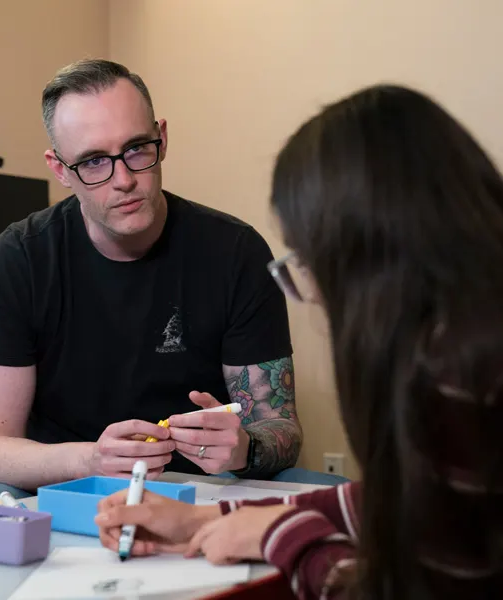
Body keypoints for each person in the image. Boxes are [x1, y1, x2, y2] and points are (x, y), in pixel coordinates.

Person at [96, 84, 503, 599]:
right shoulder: (470, 336)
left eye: (307, 263)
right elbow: (398, 503)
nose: (315, 298)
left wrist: (276, 536)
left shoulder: (461, 376)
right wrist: (208, 517)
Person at [0, 59, 306, 500]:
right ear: (61, 169)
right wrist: (91, 460)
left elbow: (282, 429)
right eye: (94, 161)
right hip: (70, 483)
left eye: (138, 149)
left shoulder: (236, 252)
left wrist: (246, 447)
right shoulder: (16, 261)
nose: (124, 180)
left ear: (162, 138)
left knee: (327, 492)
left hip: (205, 488)